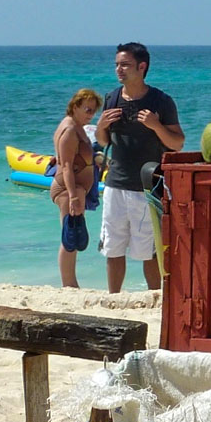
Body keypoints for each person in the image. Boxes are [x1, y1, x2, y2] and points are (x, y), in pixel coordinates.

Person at [96, 42, 184, 294]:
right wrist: (101, 125)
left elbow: (177, 143)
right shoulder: (111, 98)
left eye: (125, 65)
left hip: (147, 186)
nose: (119, 70)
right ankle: (113, 298)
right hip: (115, 184)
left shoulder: (160, 101)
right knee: (112, 248)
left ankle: (154, 297)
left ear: (142, 67)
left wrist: (156, 126)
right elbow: (104, 142)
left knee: (149, 251)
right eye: (116, 65)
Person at [50, 88, 103, 288]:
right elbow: (66, 166)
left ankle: (71, 282)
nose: (91, 114)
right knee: (69, 236)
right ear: (75, 107)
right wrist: (73, 195)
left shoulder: (77, 126)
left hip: (75, 188)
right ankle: (69, 284)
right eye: (87, 109)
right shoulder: (70, 130)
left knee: (73, 233)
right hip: (67, 189)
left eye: (93, 110)